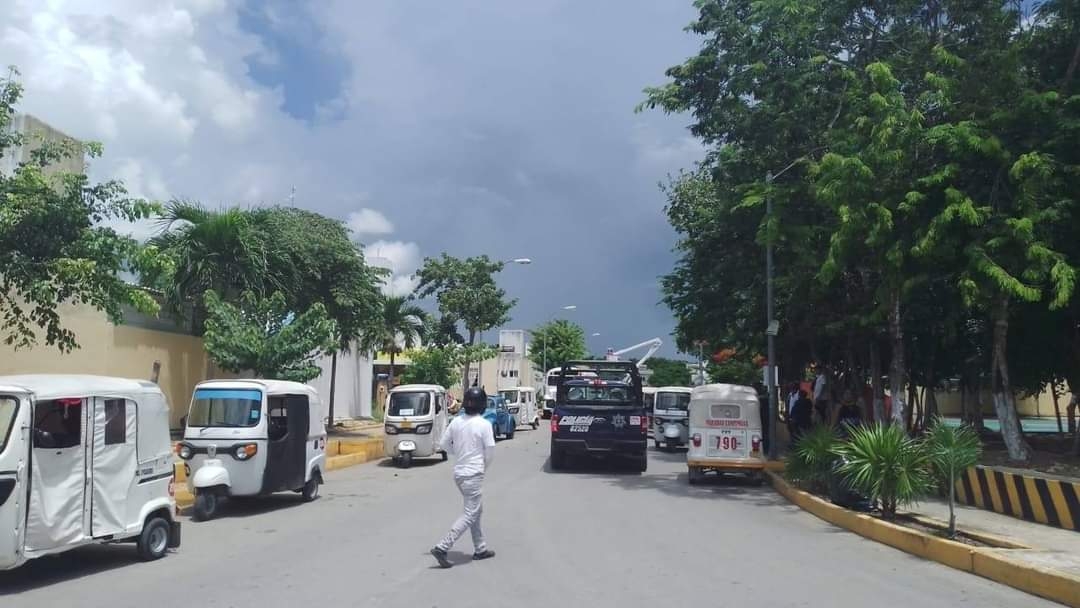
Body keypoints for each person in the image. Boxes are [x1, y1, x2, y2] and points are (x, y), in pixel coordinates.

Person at [430, 387, 496, 568]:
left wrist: (457, 454)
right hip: (473, 474)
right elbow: (489, 453)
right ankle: (442, 547)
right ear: (482, 404)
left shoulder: (456, 422)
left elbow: (443, 444)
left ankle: (480, 548)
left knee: (476, 510)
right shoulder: (484, 424)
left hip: (459, 474)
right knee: (470, 513)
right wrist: (482, 467)